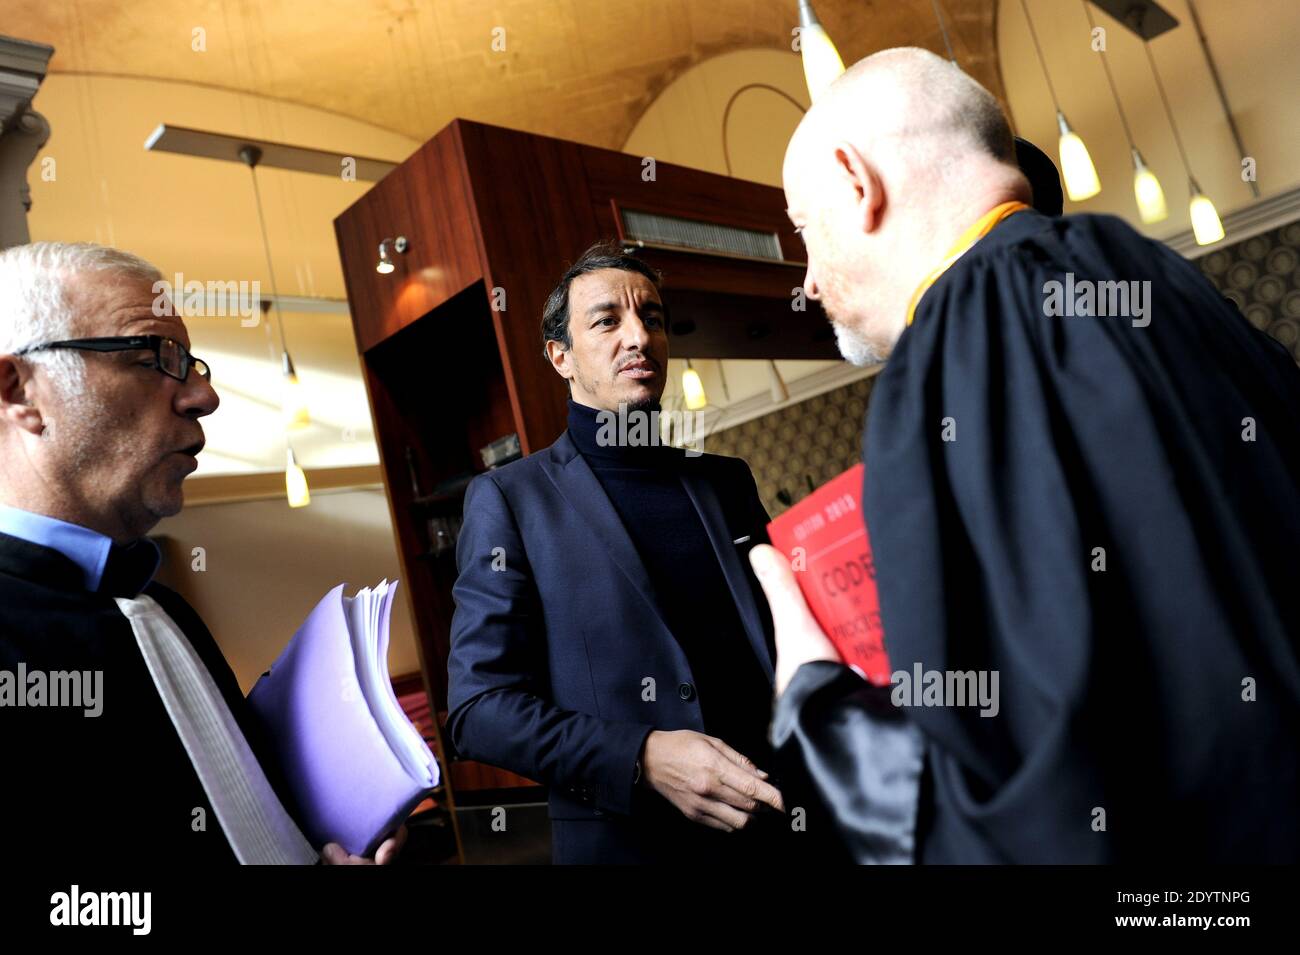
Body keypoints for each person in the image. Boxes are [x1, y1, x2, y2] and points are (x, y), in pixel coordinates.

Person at [751, 48, 1300, 863]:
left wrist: (818, 708)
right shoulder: (1167, 288)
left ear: (854, 181)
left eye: (804, 230)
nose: (811, 279)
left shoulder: (970, 325)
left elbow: (1044, 791)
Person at [0, 241, 403, 865]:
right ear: (18, 389)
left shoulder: (162, 605)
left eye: (190, 363)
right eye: (150, 358)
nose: (203, 397)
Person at [448, 242, 843, 864]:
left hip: (789, 823)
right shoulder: (509, 499)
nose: (639, 336)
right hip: (632, 844)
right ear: (561, 357)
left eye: (652, 319)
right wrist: (643, 756)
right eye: (607, 321)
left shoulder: (725, 479)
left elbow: (783, 632)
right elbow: (478, 711)